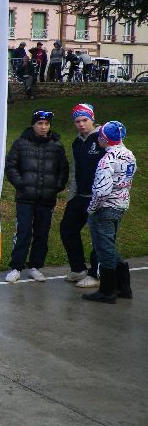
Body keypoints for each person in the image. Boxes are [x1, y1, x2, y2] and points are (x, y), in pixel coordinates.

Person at [4, 110, 69, 283]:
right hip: (25, 197)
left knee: (42, 233)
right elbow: (10, 166)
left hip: (46, 199)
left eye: (46, 124)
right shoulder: (20, 143)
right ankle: (16, 267)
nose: (43, 127)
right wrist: (21, 183)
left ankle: (35, 266)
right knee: (23, 231)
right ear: (33, 124)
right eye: (40, 123)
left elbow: (63, 170)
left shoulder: (57, 146)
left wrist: (55, 187)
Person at [82, 121, 136, 304]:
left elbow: (101, 190)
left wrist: (92, 208)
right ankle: (123, 286)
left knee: (104, 249)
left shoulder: (107, 160)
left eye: (100, 136)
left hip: (105, 209)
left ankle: (107, 291)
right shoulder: (129, 155)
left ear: (104, 139)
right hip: (121, 205)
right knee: (110, 245)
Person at [60, 104, 105, 288]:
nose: (81, 124)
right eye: (77, 121)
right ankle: (78, 269)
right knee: (67, 229)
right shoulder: (76, 142)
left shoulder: (104, 137)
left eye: (85, 120)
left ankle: (96, 274)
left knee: (98, 236)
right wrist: (72, 195)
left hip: (99, 197)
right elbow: (75, 170)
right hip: (80, 195)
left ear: (92, 119)